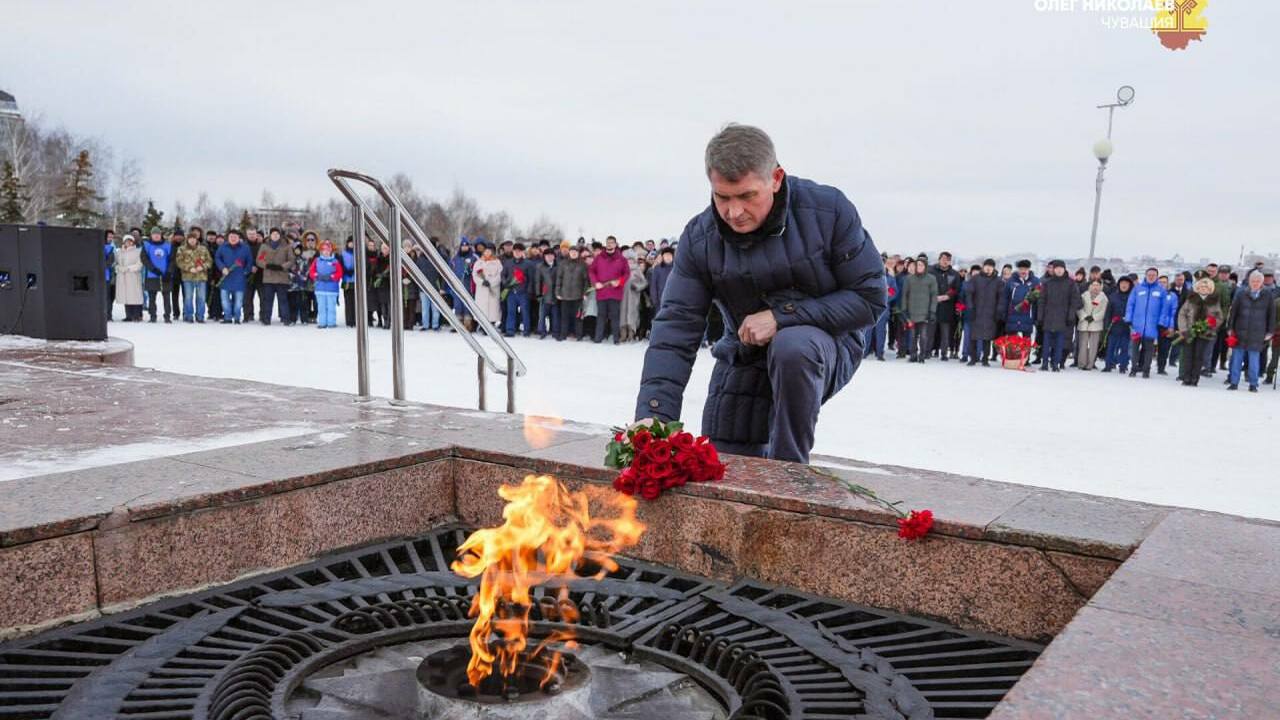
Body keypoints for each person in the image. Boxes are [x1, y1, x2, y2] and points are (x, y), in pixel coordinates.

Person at [636, 124, 884, 463]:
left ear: (776, 178)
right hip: (745, 349)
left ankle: (788, 471)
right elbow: (676, 326)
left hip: (824, 342)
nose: (734, 213)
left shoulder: (828, 211)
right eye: (722, 197)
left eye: (747, 196)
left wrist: (781, 317)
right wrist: (655, 413)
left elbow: (869, 298)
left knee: (793, 346)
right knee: (725, 462)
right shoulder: (700, 238)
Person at [1226, 270, 1276, 392]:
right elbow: (1233, 312)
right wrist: (1230, 328)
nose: (1255, 283)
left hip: (1257, 333)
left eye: (1258, 281)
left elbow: (1271, 315)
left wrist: (1270, 332)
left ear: (1262, 282)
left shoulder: (1268, 295)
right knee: (1236, 359)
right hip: (1240, 331)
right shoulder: (1241, 293)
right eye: (1253, 281)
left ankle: (1253, 384)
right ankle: (1234, 382)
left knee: (1254, 360)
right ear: (1249, 281)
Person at [1176, 277, 1222, 387]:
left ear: (1210, 289)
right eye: (1201, 286)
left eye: (1206, 287)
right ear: (1197, 288)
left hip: (1205, 333)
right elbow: (1182, 314)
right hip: (1190, 332)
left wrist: (1211, 324)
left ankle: (1194, 378)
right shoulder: (1190, 299)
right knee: (1188, 355)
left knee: (1198, 356)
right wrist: (1184, 329)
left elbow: (1219, 317)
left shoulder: (1214, 302)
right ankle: (1186, 377)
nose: (1203, 288)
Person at [1125, 267, 1169, 379]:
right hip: (1137, 325)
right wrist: (1129, 319)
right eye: (1149, 275)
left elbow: (1164, 308)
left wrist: (1161, 322)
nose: (1151, 277)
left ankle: (1146, 370)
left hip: (1152, 325)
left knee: (1149, 350)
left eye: (1153, 275)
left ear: (1156, 277)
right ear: (1145, 275)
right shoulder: (1137, 289)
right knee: (1134, 349)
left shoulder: (1161, 290)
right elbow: (1130, 304)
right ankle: (1133, 368)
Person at [1037, 260, 1081, 372]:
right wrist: (1040, 316)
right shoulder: (1047, 283)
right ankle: (1044, 363)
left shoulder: (1071, 284)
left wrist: (1071, 315)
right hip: (1048, 316)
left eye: (1061, 268)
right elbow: (1042, 300)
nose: (1059, 270)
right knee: (1046, 342)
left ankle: (1055, 363)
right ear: (1053, 270)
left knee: (1059, 343)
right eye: (1057, 268)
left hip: (1063, 318)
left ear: (1064, 269)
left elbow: (1074, 301)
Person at [589, 236, 629, 343]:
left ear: (615, 244)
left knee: (615, 316)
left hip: (615, 292)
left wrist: (619, 282)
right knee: (601, 316)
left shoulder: (622, 259)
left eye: (612, 242)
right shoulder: (599, 258)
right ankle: (598, 338)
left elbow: (627, 274)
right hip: (601, 292)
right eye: (608, 242)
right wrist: (595, 283)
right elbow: (591, 271)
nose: (610, 244)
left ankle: (616, 339)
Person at [964, 258, 1004, 366]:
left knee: (987, 338)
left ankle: (985, 359)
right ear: (983, 267)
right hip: (976, 311)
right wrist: (970, 308)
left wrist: (999, 310)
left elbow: (1001, 297)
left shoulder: (998, 281)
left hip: (990, 312)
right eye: (987, 266)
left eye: (991, 266)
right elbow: (969, 294)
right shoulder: (975, 279)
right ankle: (972, 358)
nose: (988, 268)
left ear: (994, 268)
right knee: (973, 337)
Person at [901, 257, 938, 363]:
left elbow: (934, 296)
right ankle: (913, 355)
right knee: (912, 336)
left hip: (925, 313)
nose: (919, 267)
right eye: (917, 265)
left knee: (923, 336)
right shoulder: (909, 279)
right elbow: (904, 295)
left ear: (925, 266)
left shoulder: (931, 279)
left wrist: (932, 311)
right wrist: (904, 310)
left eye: (921, 265)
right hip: (912, 312)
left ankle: (922, 355)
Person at [255, 227, 293, 325]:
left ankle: (286, 319)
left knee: (283, 300)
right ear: (270, 235)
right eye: (273, 234)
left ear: (280, 235)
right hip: (269, 277)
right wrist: (267, 265)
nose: (275, 236)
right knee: (268, 300)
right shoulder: (264, 246)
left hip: (282, 278)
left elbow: (291, 260)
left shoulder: (286, 246)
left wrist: (282, 267)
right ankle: (266, 319)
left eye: (277, 234)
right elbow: (259, 260)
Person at [214, 229, 253, 323]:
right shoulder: (223, 247)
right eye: (231, 237)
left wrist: (245, 271)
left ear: (239, 238)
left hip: (239, 278)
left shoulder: (245, 248)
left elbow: (249, 261)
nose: (233, 238)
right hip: (226, 277)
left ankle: (237, 317)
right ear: (228, 238)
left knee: (238, 301)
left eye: (235, 237)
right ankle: (227, 317)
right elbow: (217, 258)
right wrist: (222, 268)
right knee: (225, 300)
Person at [929, 251, 961, 360]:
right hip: (932, 306)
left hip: (947, 307)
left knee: (945, 332)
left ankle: (943, 353)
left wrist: (948, 296)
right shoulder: (931, 271)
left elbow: (956, 289)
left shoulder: (954, 274)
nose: (945, 261)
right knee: (930, 331)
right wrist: (933, 296)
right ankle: (927, 351)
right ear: (939, 259)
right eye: (943, 259)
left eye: (948, 260)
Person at [174, 232, 212, 323]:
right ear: (187, 239)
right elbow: (179, 262)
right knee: (188, 297)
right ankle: (189, 316)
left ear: (196, 239)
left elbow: (209, 261)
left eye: (194, 238)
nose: (192, 240)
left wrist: (203, 267)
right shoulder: (181, 249)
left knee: (201, 298)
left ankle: (200, 316)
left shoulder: (203, 249)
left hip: (201, 277)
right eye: (190, 238)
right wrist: (189, 268)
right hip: (188, 277)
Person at [308, 238, 344, 329]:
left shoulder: (335, 261)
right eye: (324, 250)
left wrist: (331, 277)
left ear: (331, 251)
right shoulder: (317, 260)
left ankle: (331, 323)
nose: (326, 252)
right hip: (320, 288)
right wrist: (317, 276)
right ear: (321, 251)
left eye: (328, 250)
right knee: (321, 307)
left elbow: (339, 273)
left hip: (331, 289)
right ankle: (322, 323)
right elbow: (311, 272)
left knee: (331, 307)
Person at [554, 246, 589, 340]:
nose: (573, 253)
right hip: (565, 295)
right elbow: (559, 278)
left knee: (578, 317)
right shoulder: (563, 263)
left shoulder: (583, 265)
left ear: (578, 253)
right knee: (564, 317)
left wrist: (585, 293)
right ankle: (563, 334)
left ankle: (578, 335)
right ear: (569, 253)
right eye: (572, 252)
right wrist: (557, 292)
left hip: (578, 295)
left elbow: (586, 280)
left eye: (575, 252)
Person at [141, 227, 173, 323]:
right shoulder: (147, 245)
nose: (156, 236)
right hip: (152, 275)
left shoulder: (167, 245)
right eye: (154, 234)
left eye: (158, 234)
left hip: (165, 276)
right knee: (152, 297)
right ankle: (152, 316)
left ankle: (167, 316)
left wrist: (168, 272)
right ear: (151, 235)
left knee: (166, 297)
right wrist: (153, 269)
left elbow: (172, 260)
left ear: (161, 235)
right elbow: (144, 259)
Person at [1103, 276, 1133, 373]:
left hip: (1126, 327)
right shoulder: (1113, 296)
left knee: (1125, 348)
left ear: (1129, 285)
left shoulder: (1132, 297)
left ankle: (1123, 366)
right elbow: (1108, 312)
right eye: (1122, 283)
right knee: (1110, 347)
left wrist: (1130, 321)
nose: (1124, 285)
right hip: (1114, 326)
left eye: (1126, 284)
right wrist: (1107, 325)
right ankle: (1108, 365)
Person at [1076, 279, 1108, 370]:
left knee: (1093, 346)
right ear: (1090, 286)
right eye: (1093, 285)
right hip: (1084, 323)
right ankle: (1081, 363)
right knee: (1083, 345)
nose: (1095, 287)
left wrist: (1094, 317)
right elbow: (1079, 308)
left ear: (1100, 286)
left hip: (1096, 324)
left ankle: (1090, 364)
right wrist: (1084, 316)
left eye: (1097, 285)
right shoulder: (1084, 296)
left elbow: (1103, 311)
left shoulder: (1104, 298)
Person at [1003, 260, 1038, 337]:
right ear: (1018, 269)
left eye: (1025, 269)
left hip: (1028, 317)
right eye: (1021, 269)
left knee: (1026, 342)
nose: (1023, 271)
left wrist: (1036, 317)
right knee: (1012, 342)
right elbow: (1005, 299)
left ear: (1029, 269)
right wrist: (1004, 314)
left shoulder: (1035, 282)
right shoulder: (1010, 281)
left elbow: (1037, 301)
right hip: (1012, 317)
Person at [114, 234, 144, 322]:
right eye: (126, 241)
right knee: (126, 296)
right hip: (122, 277)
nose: (128, 243)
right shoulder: (119, 252)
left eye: (130, 241)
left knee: (135, 296)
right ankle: (128, 315)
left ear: (133, 242)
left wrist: (128, 268)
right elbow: (115, 263)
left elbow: (139, 264)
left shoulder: (138, 251)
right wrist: (119, 268)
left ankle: (136, 315)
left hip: (133, 276)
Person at [471, 244, 503, 327]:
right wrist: (482, 282)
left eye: (489, 251)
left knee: (493, 309)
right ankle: (482, 325)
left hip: (493, 289)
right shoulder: (478, 262)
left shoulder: (497, 262)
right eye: (486, 251)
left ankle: (491, 324)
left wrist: (491, 283)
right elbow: (474, 275)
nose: (488, 253)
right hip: (482, 290)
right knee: (482, 308)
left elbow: (500, 275)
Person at [619, 254, 649, 342]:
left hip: (633, 296)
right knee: (623, 314)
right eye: (628, 259)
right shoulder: (621, 270)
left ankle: (631, 334)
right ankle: (623, 334)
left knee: (632, 314)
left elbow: (644, 282)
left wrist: (637, 286)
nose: (630, 261)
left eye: (631, 259)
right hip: (622, 296)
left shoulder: (637, 270)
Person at [449, 238, 477, 331]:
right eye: (463, 246)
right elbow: (450, 270)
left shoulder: (473, 258)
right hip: (457, 285)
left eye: (466, 246)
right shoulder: (455, 258)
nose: (464, 247)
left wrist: (470, 270)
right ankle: (458, 325)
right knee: (457, 305)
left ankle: (468, 325)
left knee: (467, 305)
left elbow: (477, 270)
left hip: (468, 285)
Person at [534, 249, 558, 338]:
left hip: (555, 294)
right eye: (547, 256)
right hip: (545, 294)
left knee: (555, 314)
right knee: (542, 314)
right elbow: (537, 281)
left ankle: (555, 331)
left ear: (554, 256)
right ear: (544, 257)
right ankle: (542, 331)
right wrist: (538, 293)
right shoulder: (540, 266)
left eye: (551, 255)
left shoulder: (558, 266)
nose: (549, 257)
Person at [103, 230, 116, 322]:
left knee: (108, 296)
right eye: (109, 237)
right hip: (97, 276)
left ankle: (108, 315)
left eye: (112, 237)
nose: (110, 239)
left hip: (107, 275)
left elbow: (110, 261)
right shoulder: (98, 245)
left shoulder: (111, 248)